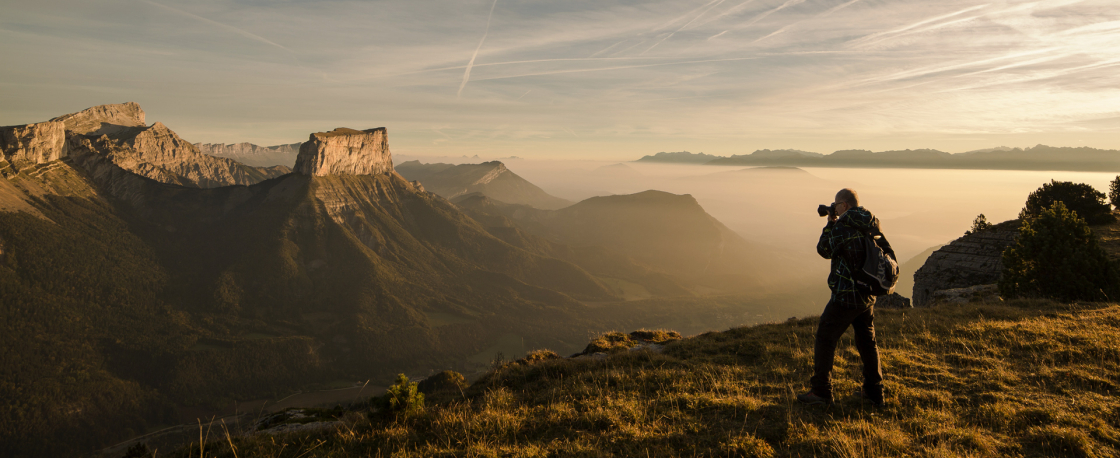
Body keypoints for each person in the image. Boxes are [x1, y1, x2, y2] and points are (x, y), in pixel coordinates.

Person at [797, 188, 887, 406]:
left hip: (846, 294)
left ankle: (821, 392)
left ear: (844, 206)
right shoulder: (870, 221)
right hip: (866, 292)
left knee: (825, 338)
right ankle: (874, 393)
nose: (834, 207)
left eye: (836, 204)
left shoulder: (842, 226)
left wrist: (830, 223)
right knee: (867, 341)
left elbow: (824, 250)